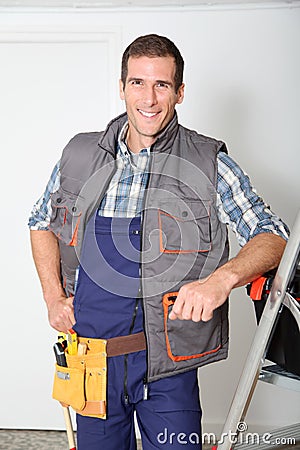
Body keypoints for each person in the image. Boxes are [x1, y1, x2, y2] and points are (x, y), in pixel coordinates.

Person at [29, 34, 289, 450]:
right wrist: (52, 296)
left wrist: (221, 280)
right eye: (137, 83)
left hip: (169, 368)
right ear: (122, 87)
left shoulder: (208, 162)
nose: (148, 98)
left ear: (180, 92)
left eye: (162, 85)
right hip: (93, 360)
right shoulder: (78, 154)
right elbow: (41, 221)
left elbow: (273, 233)